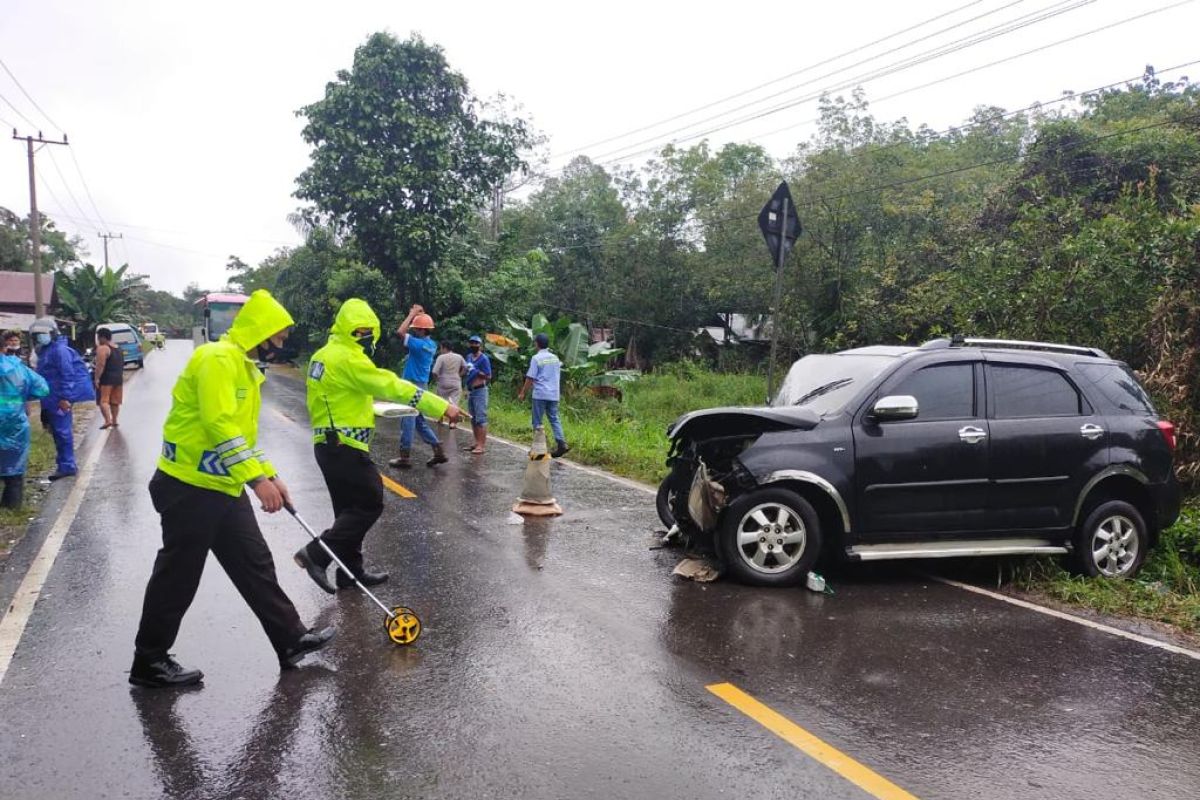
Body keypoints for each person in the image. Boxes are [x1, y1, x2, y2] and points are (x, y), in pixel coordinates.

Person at [130, 289, 334, 689]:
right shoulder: (216, 360)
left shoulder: (244, 368)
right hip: (189, 486)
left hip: (221, 485)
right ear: (260, 333)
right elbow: (218, 425)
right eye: (276, 339)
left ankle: (290, 639)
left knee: (255, 563)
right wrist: (256, 480)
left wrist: (271, 474)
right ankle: (149, 661)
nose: (279, 347)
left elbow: (243, 436)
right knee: (178, 575)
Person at [297, 298, 460, 594]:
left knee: (348, 512)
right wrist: (440, 407)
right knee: (370, 503)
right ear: (356, 331)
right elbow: (391, 384)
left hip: (327, 444)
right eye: (365, 332)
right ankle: (316, 554)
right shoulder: (348, 358)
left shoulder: (322, 355)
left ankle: (351, 574)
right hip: (344, 446)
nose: (368, 338)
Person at [30, 317, 95, 480]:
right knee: (57, 432)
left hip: (60, 398)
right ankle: (64, 464)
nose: (40, 337)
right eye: (37, 335)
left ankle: (67, 466)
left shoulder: (60, 351)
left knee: (62, 432)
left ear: (52, 333)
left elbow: (68, 375)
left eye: (42, 334)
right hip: (51, 398)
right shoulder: (46, 350)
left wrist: (66, 398)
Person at [387, 304, 446, 469]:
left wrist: (412, 314)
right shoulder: (431, 345)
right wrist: (420, 314)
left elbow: (400, 332)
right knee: (419, 421)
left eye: (416, 329)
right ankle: (438, 451)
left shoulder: (418, 345)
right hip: (422, 386)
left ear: (421, 330)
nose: (414, 331)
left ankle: (404, 456)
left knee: (407, 418)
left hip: (412, 386)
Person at [0, 332, 48, 508]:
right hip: (14, 423)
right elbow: (42, 389)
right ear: (5, 347)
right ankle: (12, 506)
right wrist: (24, 395)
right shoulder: (18, 368)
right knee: (14, 468)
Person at [518, 333, 569, 458]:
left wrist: (523, 392)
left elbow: (530, 377)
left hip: (540, 394)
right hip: (554, 394)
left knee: (537, 421)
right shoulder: (555, 358)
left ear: (537, 344)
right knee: (554, 418)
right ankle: (561, 442)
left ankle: (539, 449)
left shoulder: (536, 358)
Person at [463, 335, 492, 455]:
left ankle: (481, 445)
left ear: (480, 345)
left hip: (480, 390)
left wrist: (478, 372)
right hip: (471, 389)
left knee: (481, 418)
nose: (474, 345)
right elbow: (467, 372)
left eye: (476, 343)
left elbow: (488, 376)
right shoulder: (469, 357)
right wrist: (465, 388)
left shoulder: (484, 359)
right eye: (472, 343)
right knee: (473, 418)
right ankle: (476, 442)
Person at [93, 327, 124, 430]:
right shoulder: (118, 348)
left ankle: (107, 420)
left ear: (102, 337)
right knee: (115, 401)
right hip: (118, 378)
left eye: (98, 337)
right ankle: (115, 420)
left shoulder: (103, 348)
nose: (98, 340)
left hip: (107, 378)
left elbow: (100, 364)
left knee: (104, 401)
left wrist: (97, 378)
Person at [431, 341, 465, 429]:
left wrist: (437, 379)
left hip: (443, 382)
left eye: (441, 348)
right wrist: (459, 375)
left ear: (444, 348)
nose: (440, 350)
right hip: (455, 382)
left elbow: (434, 371)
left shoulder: (441, 357)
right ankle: (452, 423)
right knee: (454, 402)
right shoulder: (459, 357)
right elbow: (466, 367)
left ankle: (440, 419)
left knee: (441, 401)